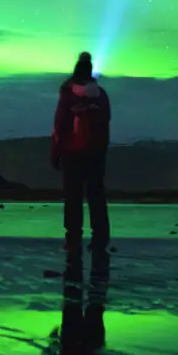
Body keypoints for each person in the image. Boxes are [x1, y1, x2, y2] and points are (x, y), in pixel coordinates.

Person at [50, 51, 111, 253]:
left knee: (73, 197)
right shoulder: (100, 94)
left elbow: (59, 125)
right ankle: (100, 238)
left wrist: (56, 152)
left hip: (72, 153)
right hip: (95, 153)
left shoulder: (67, 93)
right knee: (96, 195)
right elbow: (105, 123)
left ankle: (73, 239)